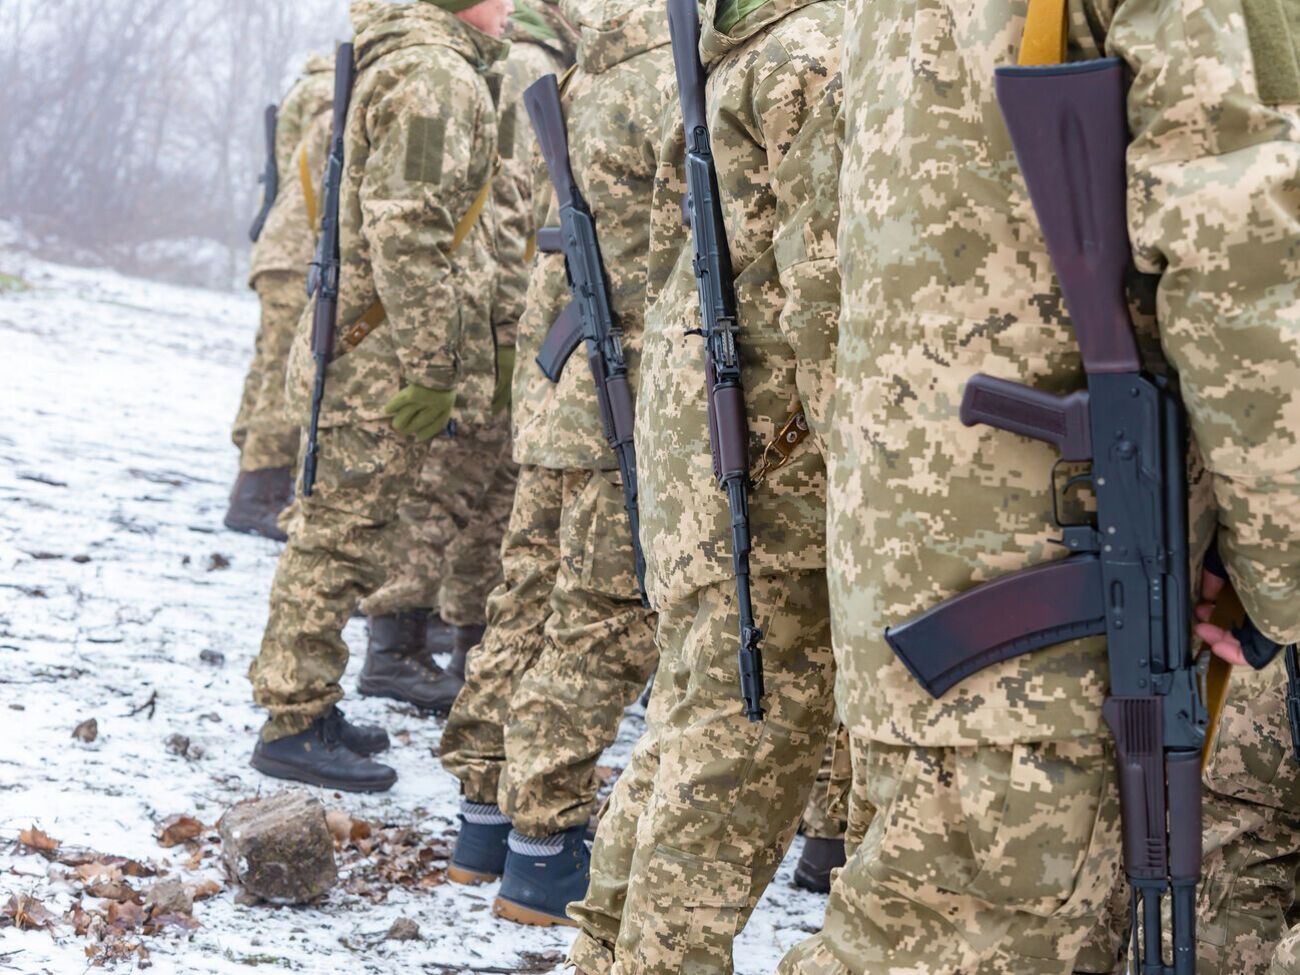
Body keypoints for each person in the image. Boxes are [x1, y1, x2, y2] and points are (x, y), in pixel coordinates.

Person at [777, 0, 1300, 971]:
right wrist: (1282, 584)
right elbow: (1242, 263)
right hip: (1060, 646)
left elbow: (812, 269)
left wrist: (885, 513)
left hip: (921, 589)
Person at [565, 0, 845, 968]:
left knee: (685, 740)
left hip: (716, 464)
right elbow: (827, 297)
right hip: (769, 482)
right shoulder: (808, 55)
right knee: (729, 768)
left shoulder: (745, 48)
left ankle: (603, 950)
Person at [439, 0, 668, 927]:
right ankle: (544, 842)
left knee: (527, 602)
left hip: (560, 382)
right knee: (600, 620)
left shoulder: (586, 69)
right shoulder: (665, 75)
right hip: (619, 386)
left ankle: (484, 819)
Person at [245, 0, 513, 793]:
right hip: (378, 359)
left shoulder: (422, 63)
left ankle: (305, 701)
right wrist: (435, 365)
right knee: (336, 534)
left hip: (369, 349)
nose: (510, 10)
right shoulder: (432, 76)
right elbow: (409, 227)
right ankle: (292, 718)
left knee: (347, 533)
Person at [348, 0, 575, 716]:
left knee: (486, 487)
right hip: (505, 299)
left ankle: (446, 638)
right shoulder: (528, 66)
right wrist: (509, 323)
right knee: (461, 480)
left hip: (506, 298)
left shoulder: (527, 58)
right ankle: (402, 639)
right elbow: (509, 200)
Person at [226, 53, 333, 540]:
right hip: (298, 249)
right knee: (283, 376)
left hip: (285, 246)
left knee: (269, 366)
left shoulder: (313, 81)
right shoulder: (331, 90)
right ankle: (259, 496)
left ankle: (252, 475)